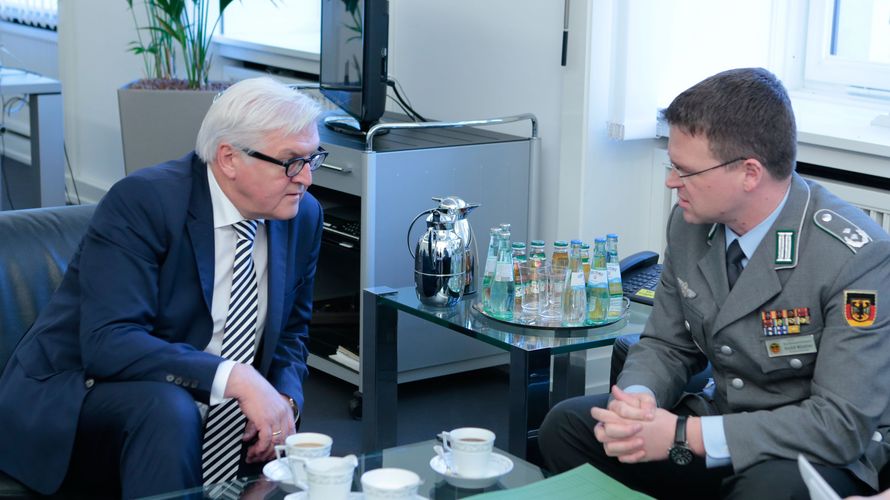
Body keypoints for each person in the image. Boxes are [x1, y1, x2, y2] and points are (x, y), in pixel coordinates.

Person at [538, 67, 890, 499]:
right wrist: (637, 401)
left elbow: (840, 424)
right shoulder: (690, 225)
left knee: (767, 490)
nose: (671, 182)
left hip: (810, 452)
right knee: (567, 429)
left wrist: (687, 435)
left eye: (684, 170)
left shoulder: (854, 256)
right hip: (714, 421)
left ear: (749, 172)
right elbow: (667, 344)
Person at [0, 77, 326, 497]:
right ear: (229, 158)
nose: (306, 179)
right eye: (291, 162)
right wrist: (239, 379)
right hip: (82, 395)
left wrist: (284, 402)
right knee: (168, 409)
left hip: (208, 408)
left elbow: (293, 335)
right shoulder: (144, 202)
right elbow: (109, 343)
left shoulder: (303, 216)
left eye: (313, 158)